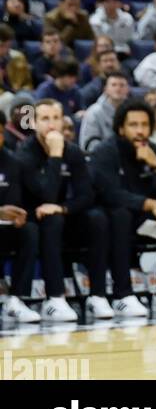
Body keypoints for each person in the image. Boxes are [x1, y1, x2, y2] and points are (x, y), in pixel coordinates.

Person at [17, 99, 113, 322]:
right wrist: (55, 155)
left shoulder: (74, 153)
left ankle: (97, 296)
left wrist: (63, 207)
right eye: (45, 119)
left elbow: (86, 195)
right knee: (53, 220)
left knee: (97, 218)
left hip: (62, 215)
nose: (51, 125)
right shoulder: (25, 154)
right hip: (32, 219)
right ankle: (55, 298)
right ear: (33, 123)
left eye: (56, 118)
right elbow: (45, 195)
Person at [90, 99, 156, 316]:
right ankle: (122, 294)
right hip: (111, 217)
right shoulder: (105, 152)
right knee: (120, 215)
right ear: (121, 128)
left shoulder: (154, 150)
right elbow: (109, 194)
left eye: (144, 125)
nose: (140, 131)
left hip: (143, 219)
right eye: (133, 125)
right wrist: (149, 203)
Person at [0, 110, 40, 323]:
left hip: (3, 228)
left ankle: (16, 299)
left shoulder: (12, 162)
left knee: (30, 230)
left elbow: (15, 200)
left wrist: (18, 214)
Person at [79, 71, 131, 151]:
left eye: (122, 85)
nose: (118, 88)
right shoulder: (94, 112)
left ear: (128, 89)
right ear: (105, 89)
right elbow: (87, 144)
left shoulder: (132, 111)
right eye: (114, 85)